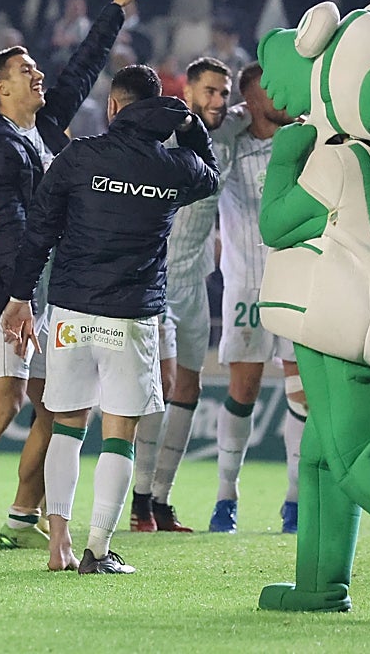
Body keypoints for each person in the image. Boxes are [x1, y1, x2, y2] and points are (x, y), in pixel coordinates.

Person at [0, 0, 148, 550]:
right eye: (23, 70)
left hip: (34, 287)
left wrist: (116, 7)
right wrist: (17, 297)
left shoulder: (40, 128)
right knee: (4, 401)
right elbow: (4, 219)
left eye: (36, 68)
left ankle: (18, 516)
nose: (38, 76)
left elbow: (83, 69)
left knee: (56, 408)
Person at [1, 63, 219, 574]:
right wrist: (191, 127)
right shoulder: (172, 167)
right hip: (132, 316)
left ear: (115, 107)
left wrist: (20, 297)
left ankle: (59, 545)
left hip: (72, 311)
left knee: (66, 427)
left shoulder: (79, 158)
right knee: (120, 433)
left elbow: (40, 232)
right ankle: (97, 548)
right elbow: (209, 174)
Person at [130, 57, 244, 533]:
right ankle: (138, 501)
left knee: (188, 389)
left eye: (224, 92)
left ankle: (161, 500)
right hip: (156, 279)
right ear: (189, 89)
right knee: (158, 387)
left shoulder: (232, 130)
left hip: (195, 281)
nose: (217, 100)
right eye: (209, 91)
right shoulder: (169, 135)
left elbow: (262, 109)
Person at [209, 62, 308, 534]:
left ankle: (294, 500)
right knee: (242, 390)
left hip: (298, 284)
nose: (281, 96)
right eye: (269, 90)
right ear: (248, 100)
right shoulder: (230, 147)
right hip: (246, 284)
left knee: (301, 392)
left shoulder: (306, 142)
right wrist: (229, 117)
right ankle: (226, 496)